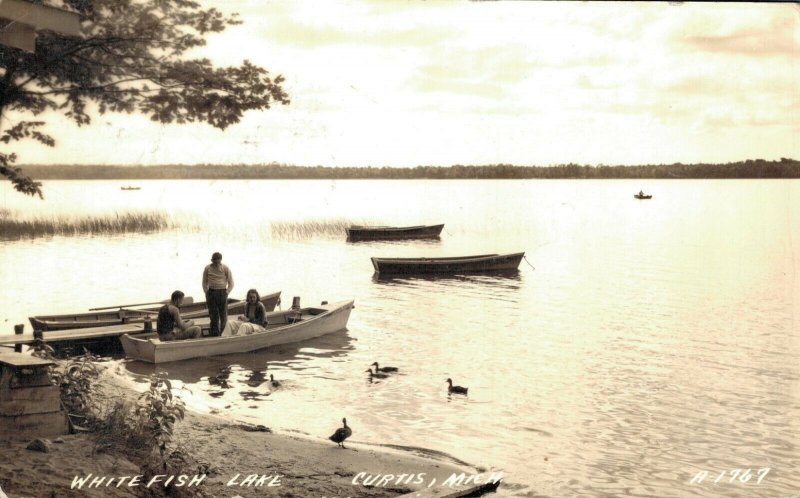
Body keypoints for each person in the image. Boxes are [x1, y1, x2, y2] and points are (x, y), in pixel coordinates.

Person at [202, 252, 234, 337]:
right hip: (211, 292)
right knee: (213, 315)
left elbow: (231, 283)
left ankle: (224, 333)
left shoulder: (225, 268)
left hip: (222, 292)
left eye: (218, 260)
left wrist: (227, 292)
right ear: (212, 260)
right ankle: (214, 334)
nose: (216, 262)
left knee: (223, 315)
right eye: (214, 260)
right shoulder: (207, 268)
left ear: (220, 260)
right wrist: (206, 293)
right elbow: (204, 282)